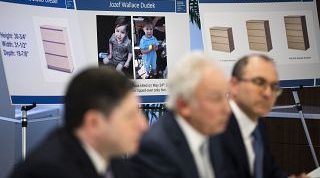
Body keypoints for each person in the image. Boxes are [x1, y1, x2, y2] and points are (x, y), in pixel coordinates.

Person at [9, 67, 147, 178]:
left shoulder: (112, 159)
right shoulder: (46, 171)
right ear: (94, 123)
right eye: (130, 116)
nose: (143, 126)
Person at [130, 52, 232, 178]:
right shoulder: (156, 149)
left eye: (227, 96)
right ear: (184, 105)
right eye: (216, 98)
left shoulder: (215, 134)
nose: (227, 109)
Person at [218, 54, 308, 178]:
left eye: (274, 86)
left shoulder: (258, 125)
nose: (268, 93)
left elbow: (268, 170)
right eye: (259, 82)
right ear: (234, 85)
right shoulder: (216, 130)